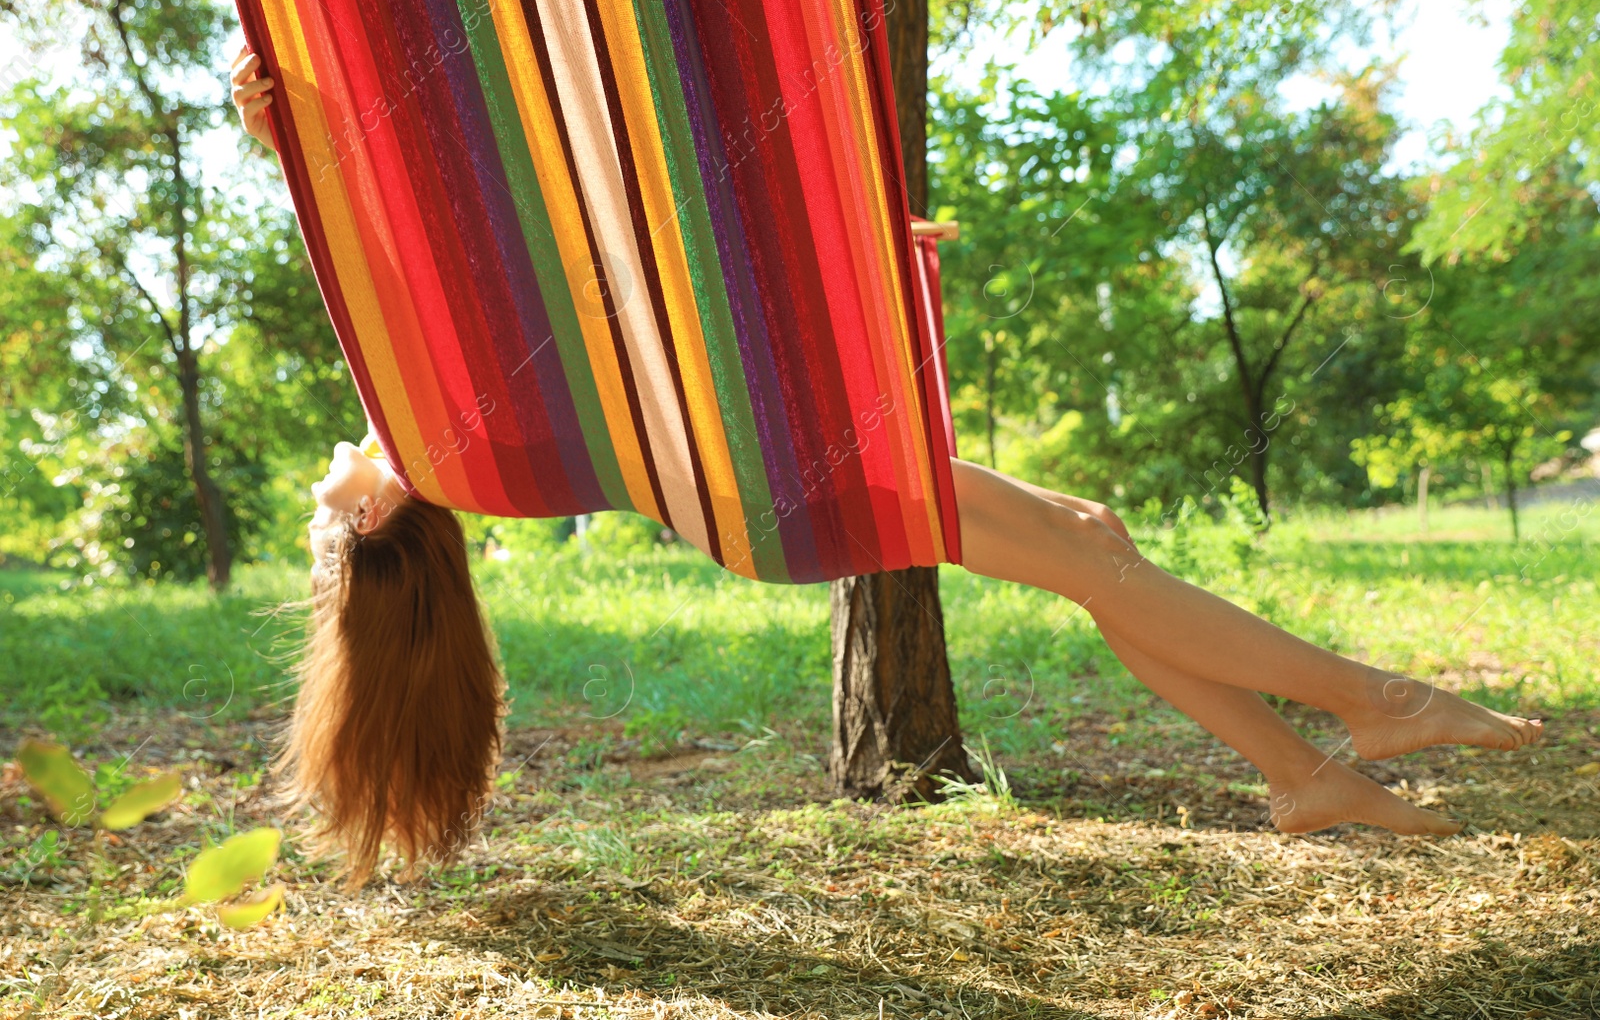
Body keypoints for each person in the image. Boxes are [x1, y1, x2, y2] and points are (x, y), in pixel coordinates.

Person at [232, 50, 1544, 886]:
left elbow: (567, 261)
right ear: (384, 522)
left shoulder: (436, 405)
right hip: (785, 468)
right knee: (1092, 552)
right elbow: (526, 253)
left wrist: (284, 132)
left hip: (776, 448)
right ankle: (1380, 704)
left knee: (1092, 534)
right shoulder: (447, 432)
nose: (322, 484)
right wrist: (302, 148)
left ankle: (1306, 772)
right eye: (330, 516)